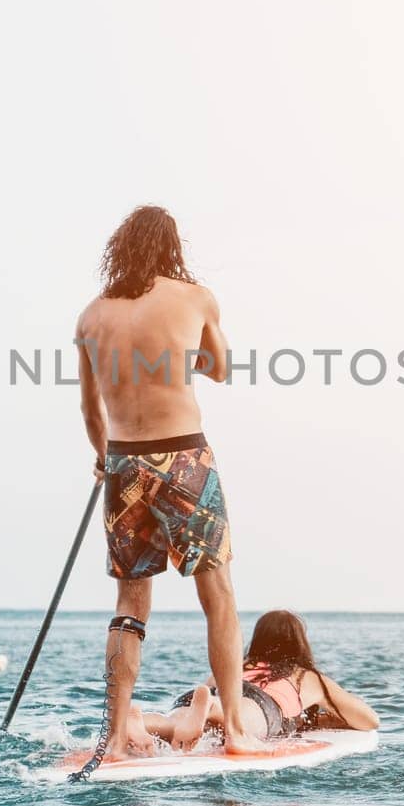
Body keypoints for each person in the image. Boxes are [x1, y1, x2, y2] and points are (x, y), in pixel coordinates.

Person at [76, 205, 264, 758]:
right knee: (218, 593)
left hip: (124, 463)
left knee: (130, 602)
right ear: (171, 247)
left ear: (121, 248)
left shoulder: (91, 316)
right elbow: (221, 366)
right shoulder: (195, 298)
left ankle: (113, 740)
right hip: (183, 458)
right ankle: (234, 729)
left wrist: (102, 458)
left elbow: (91, 413)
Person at [126, 610, 380, 751]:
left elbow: (210, 686)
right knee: (239, 720)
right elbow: (369, 720)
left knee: (173, 724)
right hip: (261, 704)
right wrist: (323, 718)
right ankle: (212, 709)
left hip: (207, 693)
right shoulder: (306, 676)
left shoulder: (236, 665)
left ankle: (141, 721)